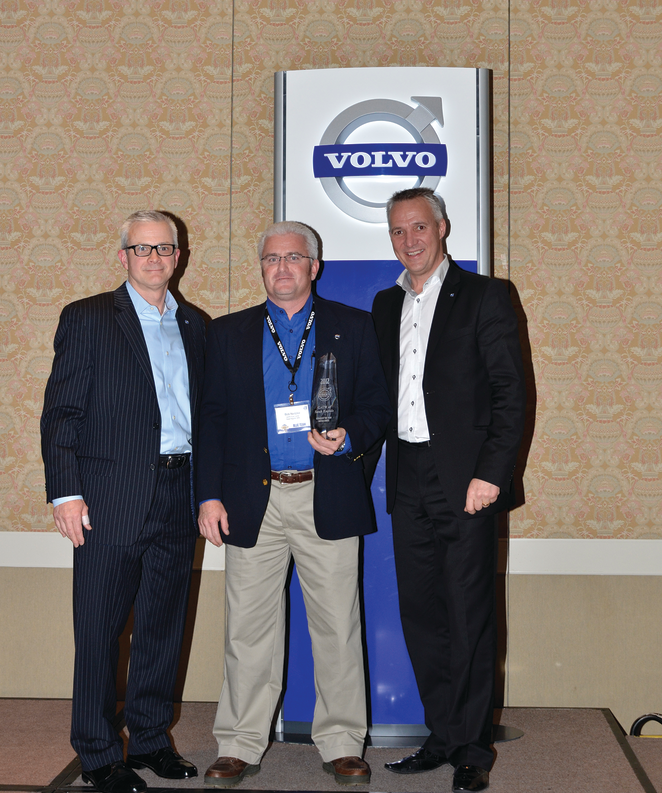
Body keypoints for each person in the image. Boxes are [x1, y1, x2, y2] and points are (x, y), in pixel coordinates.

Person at [197, 221, 391, 788]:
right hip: (250, 500)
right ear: (261, 267)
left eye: (293, 258)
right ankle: (239, 743)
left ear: (315, 266)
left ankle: (341, 743)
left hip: (323, 491)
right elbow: (211, 418)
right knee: (247, 630)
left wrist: (348, 435)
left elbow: (377, 407)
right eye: (271, 258)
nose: (281, 268)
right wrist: (207, 494)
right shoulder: (228, 332)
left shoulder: (353, 328)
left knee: (337, 625)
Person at [366, 188, 526, 793]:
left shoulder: (485, 296)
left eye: (418, 227)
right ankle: (442, 732)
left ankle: (472, 748)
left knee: (470, 616)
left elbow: (512, 394)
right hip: (407, 478)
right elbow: (378, 397)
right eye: (398, 231)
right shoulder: (385, 305)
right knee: (422, 615)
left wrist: (491, 473)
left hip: (468, 482)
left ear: (442, 227)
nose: (409, 240)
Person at [41, 210, 206, 793]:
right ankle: (96, 751)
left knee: (162, 626)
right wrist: (66, 492)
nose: (155, 258)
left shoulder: (196, 324)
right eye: (143, 249)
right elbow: (62, 412)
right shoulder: (87, 318)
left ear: (179, 256)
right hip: (109, 497)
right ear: (123, 257)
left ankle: (152, 740)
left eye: (165, 248)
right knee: (100, 627)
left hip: (178, 492)